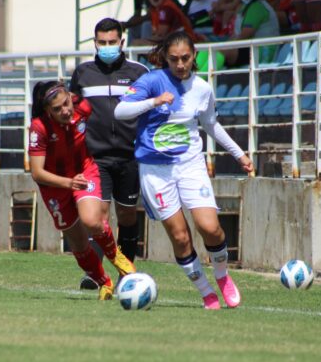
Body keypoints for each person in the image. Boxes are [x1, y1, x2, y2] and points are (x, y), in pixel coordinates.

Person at [114, 31, 254, 309]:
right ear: (165, 57)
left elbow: (211, 124)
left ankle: (223, 276)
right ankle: (205, 291)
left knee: (210, 227)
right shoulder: (152, 81)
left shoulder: (201, 88)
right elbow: (121, 111)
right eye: (174, 59)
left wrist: (239, 154)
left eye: (186, 58)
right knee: (179, 236)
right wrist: (153, 102)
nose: (180, 64)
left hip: (190, 165)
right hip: (155, 171)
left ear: (194, 56)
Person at [28, 80, 136, 300]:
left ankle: (119, 259)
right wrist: (68, 183)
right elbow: (37, 173)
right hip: (55, 187)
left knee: (92, 221)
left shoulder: (82, 107)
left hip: (85, 171)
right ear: (48, 111)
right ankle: (104, 282)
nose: (65, 111)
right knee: (77, 243)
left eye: (66, 103)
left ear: (70, 96)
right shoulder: (39, 128)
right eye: (57, 109)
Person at [70, 18, 148, 290]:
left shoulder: (139, 72)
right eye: (101, 42)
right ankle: (96, 273)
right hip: (95, 157)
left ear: (122, 42)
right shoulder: (83, 73)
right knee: (97, 217)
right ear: (94, 43)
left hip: (130, 156)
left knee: (127, 216)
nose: (106, 47)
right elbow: (72, 115)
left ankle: (127, 273)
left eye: (111, 42)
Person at [218, 0, 280, 68]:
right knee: (212, 50)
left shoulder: (258, 7)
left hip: (262, 51)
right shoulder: (244, 6)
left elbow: (244, 35)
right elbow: (236, 36)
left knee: (222, 51)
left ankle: (201, 78)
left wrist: (224, 46)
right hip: (250, 48)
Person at [132, 0, 205, 46]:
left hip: (183, 43)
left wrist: (143, 41)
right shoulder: (156, 9)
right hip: (174, 42)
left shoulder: (166, 9)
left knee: (136, 43)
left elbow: (160, 36)